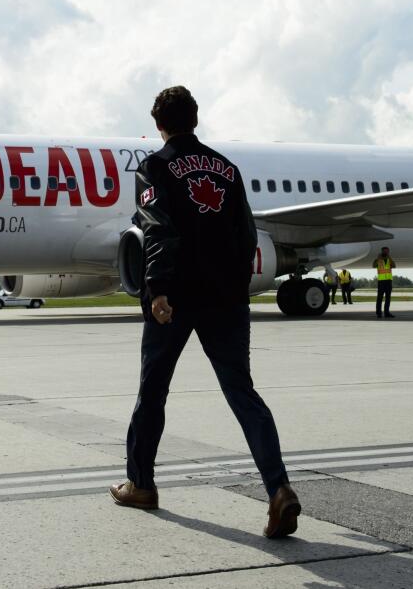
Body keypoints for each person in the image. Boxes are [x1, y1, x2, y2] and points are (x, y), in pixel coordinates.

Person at [110, 86, 300, 539]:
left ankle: (141, 484)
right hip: (226, 298)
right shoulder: (228, 170)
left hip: (174, 297)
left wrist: (156, 288)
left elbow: (157, 228)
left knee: (152, 393)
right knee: (243, 394)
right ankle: (278, 489)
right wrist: (236, 290)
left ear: (159, 124)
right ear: (195, 120)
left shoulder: (154, 166)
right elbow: (247, 235)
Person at [373, 246, 395, 318]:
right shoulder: (378, 260)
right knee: (379, 298)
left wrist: (390, 257)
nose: (386, 252)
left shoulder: (389, 260)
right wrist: (377, 259)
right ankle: (379, 313)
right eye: (385, 251)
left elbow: (394, 266)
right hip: (381, 281)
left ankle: (386, 313)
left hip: (388, 281)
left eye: (387, 251)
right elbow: (374, 265)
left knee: (388, 298)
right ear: (382, 251)